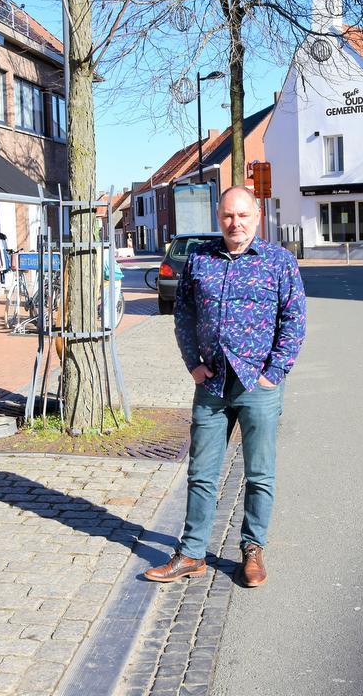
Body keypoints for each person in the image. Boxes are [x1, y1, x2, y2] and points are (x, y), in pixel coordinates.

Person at [144, 187, 306, 587]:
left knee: (260, 473)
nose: (235, 223)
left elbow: (294, 320)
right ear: (219, 217)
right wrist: (193, 364)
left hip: (258, 384)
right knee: (201, 471)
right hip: (212, 382)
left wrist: (274, 372)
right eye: (228, 216)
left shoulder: (279, 262)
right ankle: (192, 553)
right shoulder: (200, 260)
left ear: (257, 216)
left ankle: (252, 550)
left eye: (243, 216)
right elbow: (182, 313)